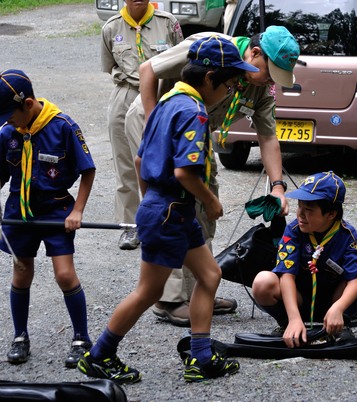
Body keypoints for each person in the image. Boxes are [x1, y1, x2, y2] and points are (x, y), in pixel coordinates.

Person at [77, 36, 258, 384]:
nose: (233, 90)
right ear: (209, 79)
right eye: (231, 83)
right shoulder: (193, 111)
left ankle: (201, 357)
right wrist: (211, 200)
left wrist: (152, 202)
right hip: (171, 211)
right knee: (150, 292)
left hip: (169, 208)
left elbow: (142, 157)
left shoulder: (167, 101)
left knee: (209, 275)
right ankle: (99, 355)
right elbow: (184, 172)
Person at [124, 26, 300, 325]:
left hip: (196, 135)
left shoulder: (260, 89)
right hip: (157, 121)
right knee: (175, 207)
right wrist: (157, 128)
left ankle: (200, 290)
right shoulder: (214, 48)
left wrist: (278, 187)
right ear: (255, 53)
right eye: (270, 73)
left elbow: (268, 138)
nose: (271, 82)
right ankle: (169, 300)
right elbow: (147, 70)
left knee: (205, 208)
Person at [0, 69, 96, 367]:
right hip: (19, 212)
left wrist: (77, 211)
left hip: (56, 211)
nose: (6, 121)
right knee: (21, 271)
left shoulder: (63, 126)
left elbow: (87, 170)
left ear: (28, 103)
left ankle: (82, 338)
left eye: (9, 115)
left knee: (65, 275)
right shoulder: (7, 133)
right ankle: (20, 336)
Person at [252, 171, 357, 347]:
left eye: (308, 210)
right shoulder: (293, 231)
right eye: (300, 207)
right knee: (262, 281)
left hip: (334, 301)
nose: (300, 215)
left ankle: (342, 321)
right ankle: (289, 326)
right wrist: (293, 318)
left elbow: (354, 281)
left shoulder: (348, 236)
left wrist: (338, 308)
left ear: (331, 214)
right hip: (299, 301)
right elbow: (287, 276)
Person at [101, 0, 183, 250]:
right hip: (125, 93)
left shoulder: (168, 23)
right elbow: (109, 66)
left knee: (156, 160)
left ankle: (159, 218)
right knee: (124, 162)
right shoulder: (111, 27)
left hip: (159, 94)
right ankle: (129, 227)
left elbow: (182, 61)